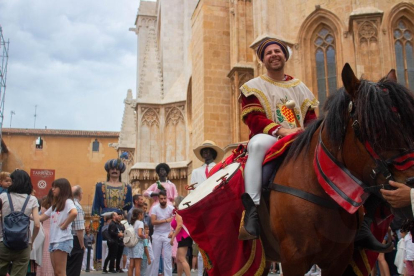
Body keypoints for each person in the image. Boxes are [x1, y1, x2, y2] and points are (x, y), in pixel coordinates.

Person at [239, 38, 318, 240]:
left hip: (301, 140)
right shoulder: (253, 87)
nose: (274, 54)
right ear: (263, 60)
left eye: (278, 51)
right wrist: (281, 131)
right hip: (270, 140)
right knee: (256, 145)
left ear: (285, 55)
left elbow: (310, 119)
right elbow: (253, 118)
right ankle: (253, 209)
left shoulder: (299, 87)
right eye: (269, 53)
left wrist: (304, 131)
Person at [190, 140, 224, 275]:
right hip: (201, 209)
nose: (205, 152)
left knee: (217, 242)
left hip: (215, 208)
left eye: (208, 150)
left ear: (213, 153)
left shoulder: (220, 168)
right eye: (203, 150)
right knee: (201, 243)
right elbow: (192, 191)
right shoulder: (196, 172)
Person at [92, 158, 132, 266]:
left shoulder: (127, 187)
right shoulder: (100, 186)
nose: (114, 170)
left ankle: (116, 264)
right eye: (112, 169)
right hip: (104, 219)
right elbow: (96, 205)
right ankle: (102, 262)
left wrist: (129, 222)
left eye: (117, 169)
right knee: (105, 241)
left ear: (120, 171)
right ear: (108, 171)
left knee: (119, 241)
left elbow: (130, 207)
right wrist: (95, 223)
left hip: (120, 219)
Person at [0, 169, 40, 276]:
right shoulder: (32, 200)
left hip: (2, 242)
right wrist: (31, 241)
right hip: (23, 244)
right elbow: (37, 224)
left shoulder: (3, 197)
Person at [40, 178, 78, 276]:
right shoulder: (55, 205)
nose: (53, 189)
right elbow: (41, 218)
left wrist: (64, 225)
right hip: (54, 240)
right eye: (53, 187)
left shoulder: (68, 201)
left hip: (62, 239)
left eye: (55, 187)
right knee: (56, 272)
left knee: (59, 272)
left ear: (62, 188)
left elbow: (74, 213)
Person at [149, 190, 174, 276]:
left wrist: (173, 232)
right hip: (157, 234)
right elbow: (153, 222)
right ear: (158, 199)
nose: (163, 200)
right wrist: (166, 220)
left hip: (167, 234)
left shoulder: (171, 208)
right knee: (155, 257)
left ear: (166, 198)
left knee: (167, 258)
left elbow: (176, 222)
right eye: (161, 198)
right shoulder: (155, 208)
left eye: (164, 198)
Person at [170, 196, 192, 276]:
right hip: (182, 238)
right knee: (178, 259)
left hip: (184, 237)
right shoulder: (178, 212)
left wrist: (173, 237)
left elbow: (179, 226)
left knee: (182, 259)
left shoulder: (179, 213)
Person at [67, 185, 85, 276]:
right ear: (80, 194)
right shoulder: (78, 207)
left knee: (68, 267)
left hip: (66, 238)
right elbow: (79, 229)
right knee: (74, 268)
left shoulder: (67, 204)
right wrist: (82, 245)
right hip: (75, 240)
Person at [37, 189, 54, 276]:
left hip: (43, 232)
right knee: (50, 257)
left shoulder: (44, 205)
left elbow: (39, 216)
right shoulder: (56, 206)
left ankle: (41, 273)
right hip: (52, 233)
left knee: (43, 256)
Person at [128, 208, 146, 276]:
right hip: (138, 243)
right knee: (138, 266)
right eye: (142, 214)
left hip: (132, 243)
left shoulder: (132, 223)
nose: (143, 216)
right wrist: (145, 236)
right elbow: (140, 233)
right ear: (139, 215)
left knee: (131, 265)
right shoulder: (140, 223)